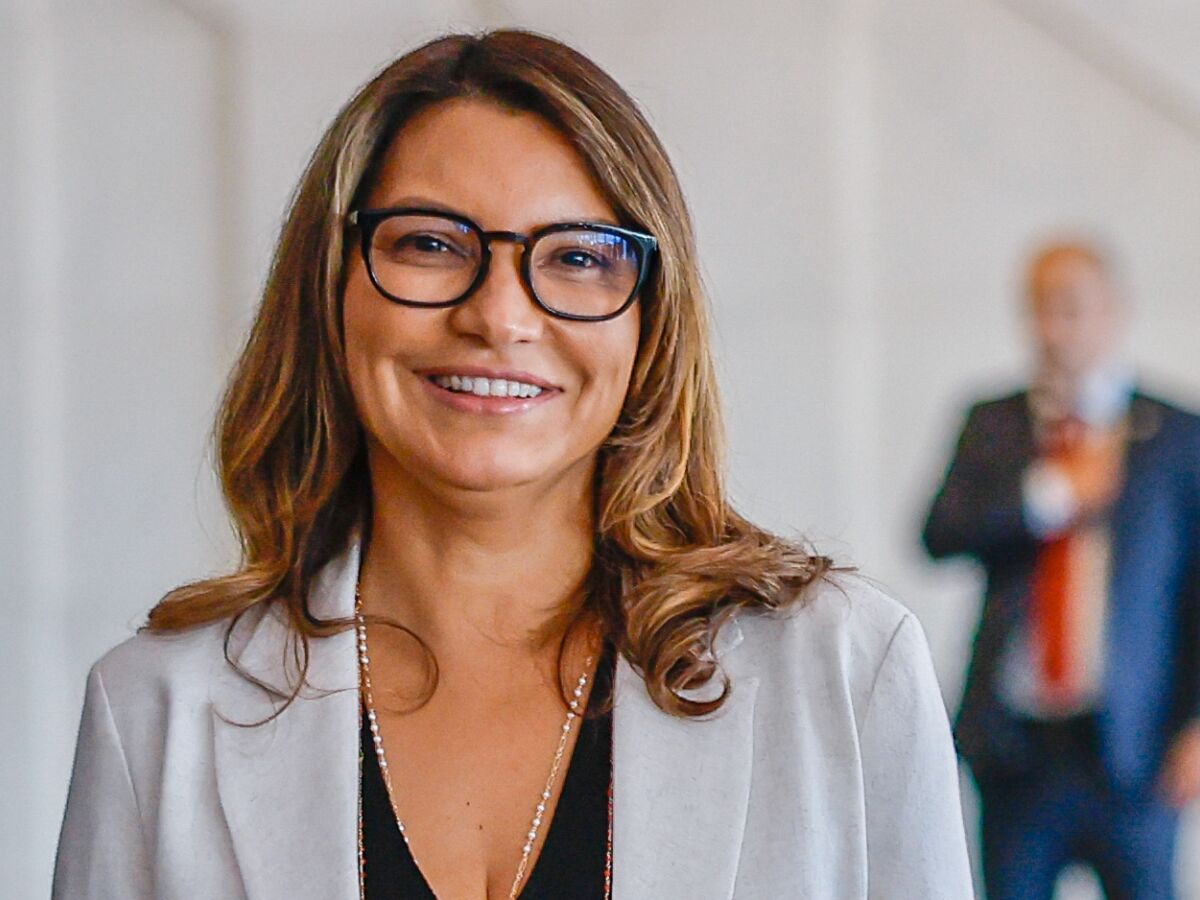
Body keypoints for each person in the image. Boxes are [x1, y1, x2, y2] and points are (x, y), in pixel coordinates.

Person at [54, 30, 971, 899]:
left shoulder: (844, 671)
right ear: (330, 285)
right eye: (429, 243)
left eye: (577, 257)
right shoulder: (155, 713)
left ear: (652, 324)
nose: (499, 316)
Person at [923, 241, 1200, 899]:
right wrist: (1049, 494)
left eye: (1071, 308)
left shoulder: (1176, 434)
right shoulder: (993, 423)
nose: (1055, 329)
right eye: (1041, 309)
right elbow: (940, 534)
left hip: (1135, 750)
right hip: (1017, 749)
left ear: (1113, 310)